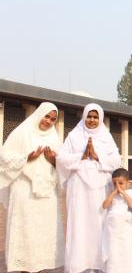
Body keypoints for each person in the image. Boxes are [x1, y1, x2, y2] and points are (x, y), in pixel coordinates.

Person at [0, 102, 65, 272]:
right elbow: (5, 157)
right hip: (24, 190)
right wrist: (26, 157)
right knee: (25, 231)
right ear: (39, 114)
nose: (49, 121)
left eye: (53, 119)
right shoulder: (22, 133)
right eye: (46, 116)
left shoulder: (54, 137)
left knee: (43, 233)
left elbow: (63, 164)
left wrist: (53, 160)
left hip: (47, 195)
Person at [57, 103, 121, 273]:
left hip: (101, 189)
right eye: (89, 116)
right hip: (79, 188)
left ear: (100, 118)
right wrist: (82, 155)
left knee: (100, 225)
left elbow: (117, 161)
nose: (92, 120)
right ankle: (79, 265)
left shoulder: (106, 137)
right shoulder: (74, 136)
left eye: (95, 117)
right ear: (84, 117)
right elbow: (61, 159)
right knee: (79, 225)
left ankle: (99, 264)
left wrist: (97, 155)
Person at [102, 168, 132, 273]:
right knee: (113, 250)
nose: (117, 186)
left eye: (121, 183)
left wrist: (123, 193)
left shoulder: (130, 192)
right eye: (115, 183)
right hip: (112, 228)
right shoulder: (112, 194)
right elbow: (105, 206)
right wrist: (112, 194)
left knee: (125, 249)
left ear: (128, 183)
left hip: (125, 227)